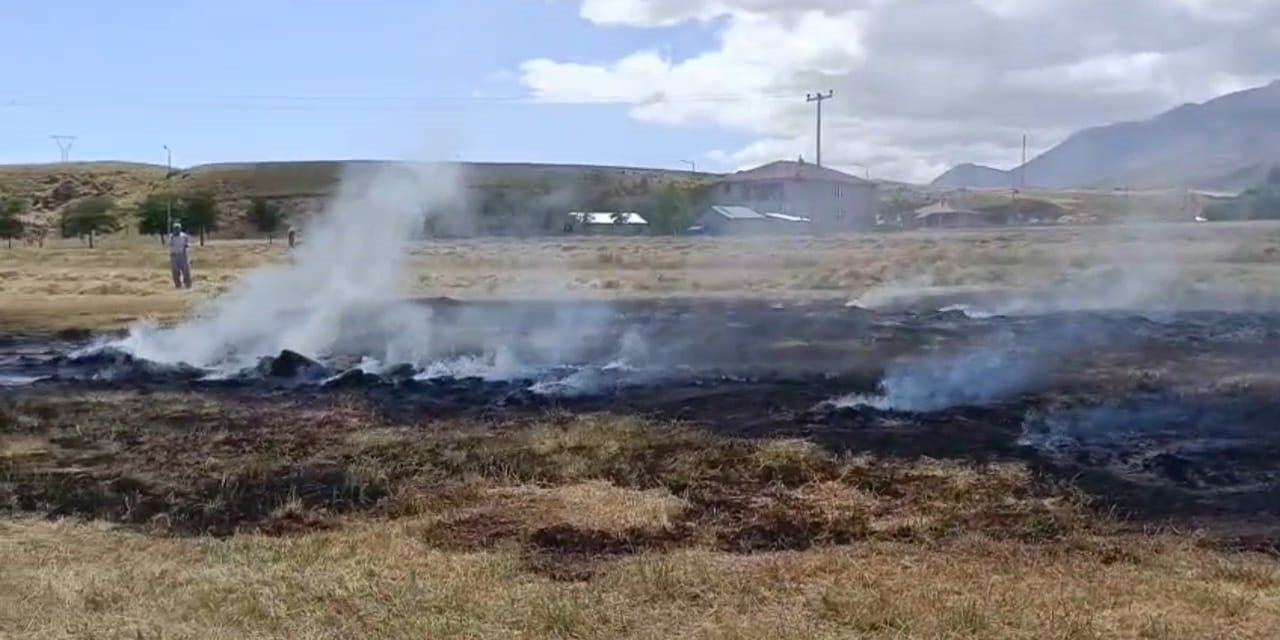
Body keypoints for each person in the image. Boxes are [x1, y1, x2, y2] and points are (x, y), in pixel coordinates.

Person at [168, 222, 192, 289]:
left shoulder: (183, 236)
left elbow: (188, 244)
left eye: (177, 228)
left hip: (182, 255)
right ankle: (178, 285)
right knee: (175, 271)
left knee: (186, 270)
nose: (176, 230)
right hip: (174, 256)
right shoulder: (171, 236)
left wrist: (186, 246)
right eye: (175, 229)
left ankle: (188, 285)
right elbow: (169, 244)